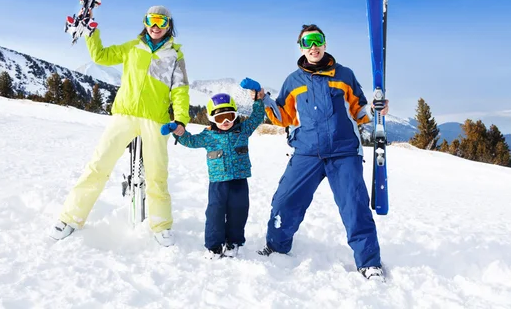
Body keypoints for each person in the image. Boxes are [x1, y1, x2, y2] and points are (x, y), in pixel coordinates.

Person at [50, 3, 190, 247]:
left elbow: (180, 90)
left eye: (161, 22)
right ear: (145, 23)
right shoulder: (133, 47)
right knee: (98, 165)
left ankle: (161, 225)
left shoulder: (175, 56)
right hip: (124, 115)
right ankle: (71, 218)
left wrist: (180, 119)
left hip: (156, 120)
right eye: (151, 21)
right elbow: (100, 56)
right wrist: (92, 33)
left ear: (169, 26)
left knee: (157, 174)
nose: (156, 27)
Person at [257, 24, 389, 281]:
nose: (314, 46)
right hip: (306, 152)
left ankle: (369, 262)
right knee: (285, 202)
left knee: (355, 205)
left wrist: (377, 111)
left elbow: (360, 111)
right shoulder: (293, 81)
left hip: (344, 151)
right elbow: (284, 116)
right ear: (301, 47)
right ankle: (276, 248)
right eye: (308, 42)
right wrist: (264, 99)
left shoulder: (344, 75)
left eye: (318, 40)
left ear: (325, 44)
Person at [164, 89, 265, 259]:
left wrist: (258, 101)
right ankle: (214, 245)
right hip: (218, 183)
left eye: (229, 116)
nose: (225, 121)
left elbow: (256, 117)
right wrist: (179, 132)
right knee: (215, 213)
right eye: (219, 118)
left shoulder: (243, 130)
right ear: (212, 118)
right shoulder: (208, 136)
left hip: (240, 181)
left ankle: (233, 242)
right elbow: (191, 141)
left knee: (239, 211)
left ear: (235, 115)